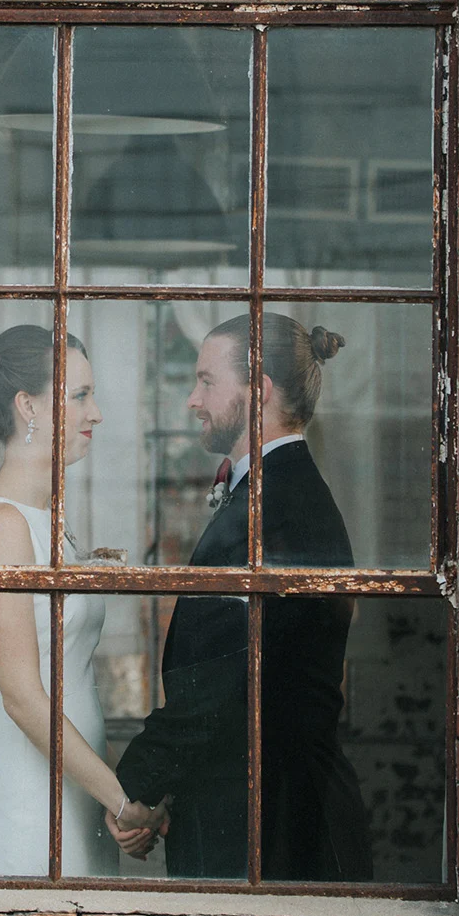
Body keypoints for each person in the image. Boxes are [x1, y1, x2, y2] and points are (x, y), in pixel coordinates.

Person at [110, 313, 373, 882]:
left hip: (276, 829)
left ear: (260, 390)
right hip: (257, 813)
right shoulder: (270, 492)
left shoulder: (276, 505)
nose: (192, 400)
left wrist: (137, 787)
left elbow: (222, 681)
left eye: (207, 381)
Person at [0, 325, 157, 875]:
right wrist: (121, 801)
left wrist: (113, 795)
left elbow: (74, 683)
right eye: (79, 396)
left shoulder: (49, 521)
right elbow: (22, 697)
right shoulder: (1, 524)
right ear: (28, 406)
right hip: (29, 809)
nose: (96, 414)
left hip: (82, 800)